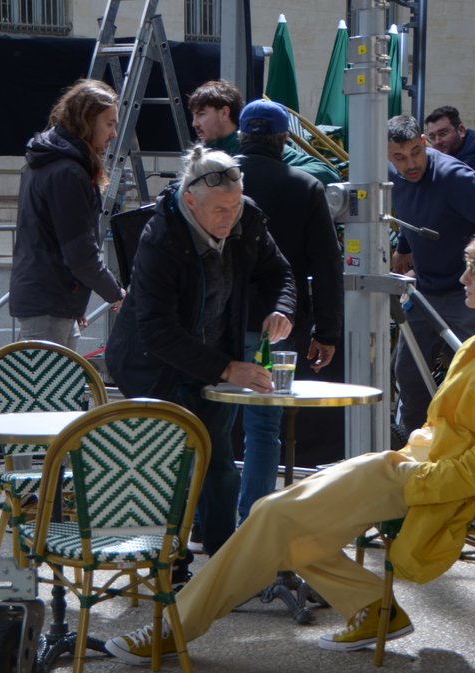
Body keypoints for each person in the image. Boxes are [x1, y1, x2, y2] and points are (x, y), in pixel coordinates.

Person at [105, 228, 475, 665]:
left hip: (427, 481)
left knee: (275, 516)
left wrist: (411, 479)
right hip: (412, 468)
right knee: (275, 517)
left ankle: (176, 629)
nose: (464, 278)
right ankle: (374, 609)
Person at [105, 146, 297, 557]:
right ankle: (165, 561)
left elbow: (279, 271)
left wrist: (281, 309)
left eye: (235, 206)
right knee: (170, 467)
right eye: (220, 210)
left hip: (211, 356)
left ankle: (222, 558)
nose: (230, 218)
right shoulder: (160, 238)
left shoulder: (248, 216)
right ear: (190, 201)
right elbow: (157, 330)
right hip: (153, 366)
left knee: (220, 466)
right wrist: (227, 368)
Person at [234, 99, 345, 522]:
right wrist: (328, 331)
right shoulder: (304, 186)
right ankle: (253, 523)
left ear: (242, 134)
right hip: (278, 326)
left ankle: (211, 524)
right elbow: (326, 263)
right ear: (284, 141)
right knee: (264, 430)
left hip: (216, 324)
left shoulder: (213, 178)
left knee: (212, 424)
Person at [388, 115, 475, 435]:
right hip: (425, 291)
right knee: (406, 372)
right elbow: (409, 214)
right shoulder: (393, 177)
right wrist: (404, 246)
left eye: (415, 153)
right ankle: (416, 445)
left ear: (424, 141)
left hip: (465, 292)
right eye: (400, 158)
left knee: (471, 378)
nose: (410, 165)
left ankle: (469, 445)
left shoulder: (453, 176)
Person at [9, 78, 125, 349]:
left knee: (53, 387)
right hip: (48, 301)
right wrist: (115, 293)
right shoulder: (67, 172)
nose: (114, 134)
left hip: (50, 299)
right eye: (109, 124)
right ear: (87, 121)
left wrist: (75, 302)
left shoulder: (51, 161)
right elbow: (80, 252)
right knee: (41, 389)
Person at [188, 79, 341, 185]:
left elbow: (328, 174)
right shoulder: (200, 154)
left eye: (201, 114)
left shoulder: (259, 143)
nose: (194, 123)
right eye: (193, 115)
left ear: (224, 113)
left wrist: (264, 172)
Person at [423, 105, 475, 184]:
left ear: (461, 130)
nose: (437, 142)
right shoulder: (458, 149)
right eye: (432, 137)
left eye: (442, 134)